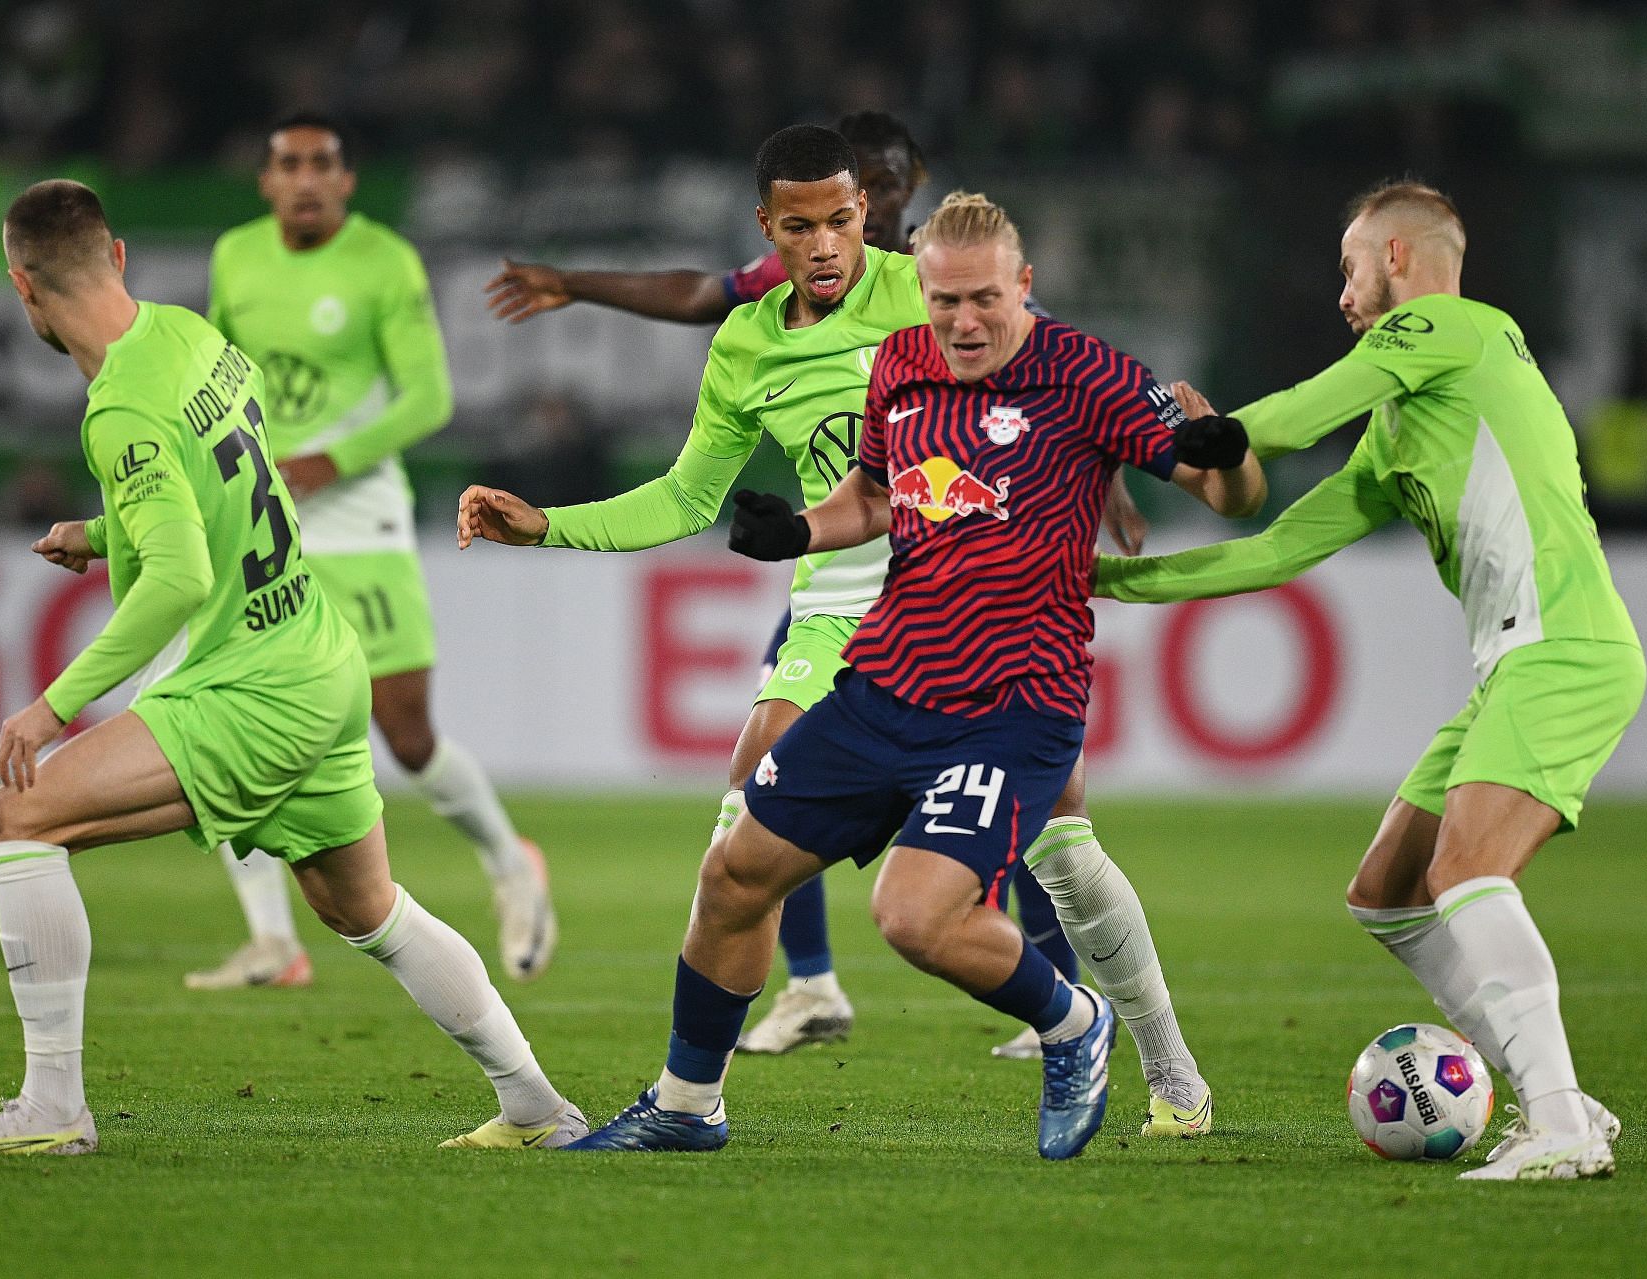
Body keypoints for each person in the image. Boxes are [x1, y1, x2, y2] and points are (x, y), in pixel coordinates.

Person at [549, 190, 1261, 1155]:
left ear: (1025, 286)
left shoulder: (1088, 374)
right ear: (917, 291)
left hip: (1014, 702)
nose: (962, 323)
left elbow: (1224, 493)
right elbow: (880, 495)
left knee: (916, 914)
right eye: (942, 302)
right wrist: (797, 530)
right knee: (734, 873)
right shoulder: (902, 362)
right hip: (887, 683)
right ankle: (685, 1104)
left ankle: (1075, 1023)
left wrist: (1229, 458)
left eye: (982, 301)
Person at [0, 180, 585, 1156]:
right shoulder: (191, 335)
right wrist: (107, 534)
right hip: (320, 657)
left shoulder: (117, 410)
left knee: (15, 818)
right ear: (117, 257)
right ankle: (539, 1106)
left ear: (24, 289)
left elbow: (182, 577)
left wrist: (50, 706)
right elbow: (237, 487)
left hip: (252, 687)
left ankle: (53, 1106)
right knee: (368, 908)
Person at [483, 113, 1153, 1065]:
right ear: (769, 229)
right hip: (841, 599)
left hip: (969, 588)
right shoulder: (748, 346)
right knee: (745, 816)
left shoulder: (919, 294)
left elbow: (1047, 368)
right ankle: (725, 1061)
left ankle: (1150, 1058)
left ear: (866, 211)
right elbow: (684, 498)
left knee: (1067, 849)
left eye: (843, 218)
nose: (827, 244)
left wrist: (1112, 473)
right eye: (802, 227)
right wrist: (547, 524)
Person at [1092, 180, 1641, 1181]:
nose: (1342, 295)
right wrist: (1101, 579)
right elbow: (1269, 552)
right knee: (1388, 892)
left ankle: (1560, 1117)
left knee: (1468, 872)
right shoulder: (1402, 426)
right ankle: (1553, 1095)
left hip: (1563, 644)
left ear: (1396, 256)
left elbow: (1306, 411)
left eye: (1348, 268)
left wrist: (1221, 434)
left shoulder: (1460, 327)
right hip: (1513, 662)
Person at [194, 113, 554, 991]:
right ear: (265, 180)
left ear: (347, 181)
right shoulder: (236, 257)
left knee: (406, 733)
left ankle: (512, 864)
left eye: (323, 164)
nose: (307, 178)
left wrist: (333, 458)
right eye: (289, 163)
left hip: (363, 520)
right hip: (265, 519)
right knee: (226, 718)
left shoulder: (383, 260)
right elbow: (211, 376)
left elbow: (428, 397)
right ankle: (273, 940)